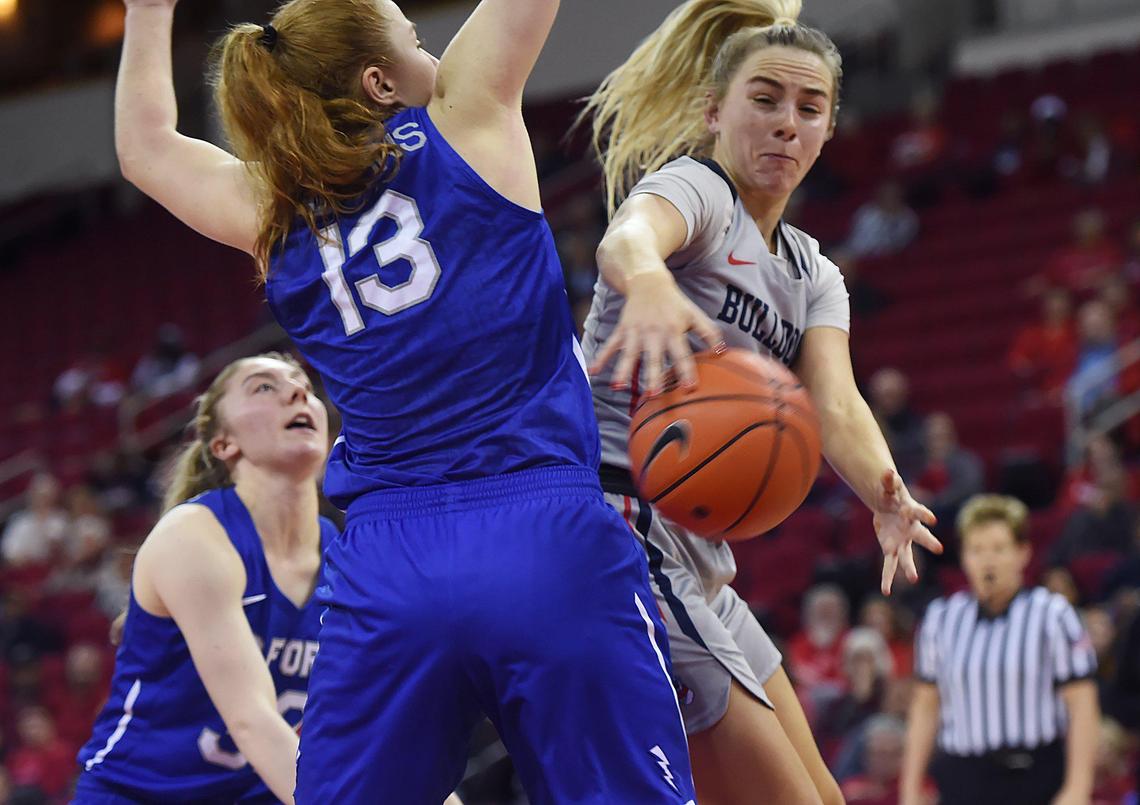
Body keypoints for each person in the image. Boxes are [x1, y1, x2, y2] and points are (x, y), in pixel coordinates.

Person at [115, 1, 695, 802]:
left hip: (389, 566)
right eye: (416, 41)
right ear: (381, 82)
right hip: (541, 528)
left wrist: (147, 11)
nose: (433, 53)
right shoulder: (465, 114)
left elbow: (147, 149)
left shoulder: (273, 207)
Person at [580, 0, 943, 801]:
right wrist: (647, 281)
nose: (787, 122)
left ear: (828, 130)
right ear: (715, 112)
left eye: (809, 109)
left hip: (699, 558)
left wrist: (884, 491)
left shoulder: (814, 273)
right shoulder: (698, 189)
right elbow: (627, 236)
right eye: (766, 99)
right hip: (615, 526)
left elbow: (835, 402)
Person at [73, 354, 334, 803]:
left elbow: (385, 725)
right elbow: (251, 720)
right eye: (264, 387)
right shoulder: (194, 535)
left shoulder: (347, 555)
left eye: (305, 387)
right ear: (223, 443)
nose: (298, 392)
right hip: (140, 795)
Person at [899, 494, 1100, 805]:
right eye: (976, 550)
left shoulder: (1053, 615)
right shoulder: (940, 620)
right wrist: (910, 789)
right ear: (964, 557)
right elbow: (925, 707)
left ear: (1023, 553)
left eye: (998, 548)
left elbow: (1082, 705)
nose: (987, 560)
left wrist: (1078, 788)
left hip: (1034, 776)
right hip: (962, 778)